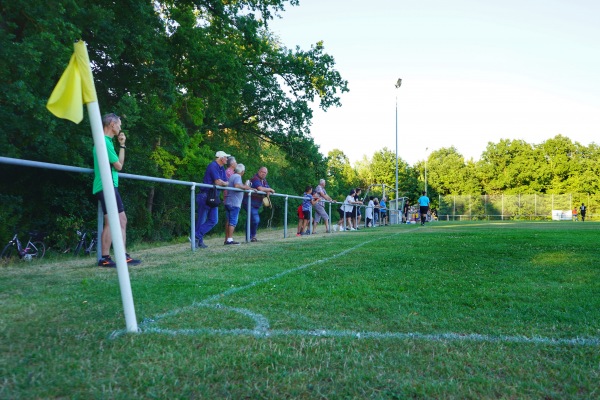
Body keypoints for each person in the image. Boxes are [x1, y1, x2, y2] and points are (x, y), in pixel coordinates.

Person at [93, 113, 140, 267]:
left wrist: (121, 144)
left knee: (115, 221)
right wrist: (122, 145)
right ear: (112, 124)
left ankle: (114, 256)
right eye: (119, 124)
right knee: (116, 221)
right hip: (107, 186)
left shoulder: (104, 142)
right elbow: (119, 165)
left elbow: (117, 166)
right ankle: (112, 257)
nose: (120, 127)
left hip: (106, 186)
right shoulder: (105, 143)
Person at [195, 151, 230, 248]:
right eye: (226, 157)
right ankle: (198, 242)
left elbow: (225, 181)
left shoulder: (221, 168)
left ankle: (196, 236)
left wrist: (223, 182)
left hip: (213, 196)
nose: (227, 159)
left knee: (214, 220)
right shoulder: (213, 166)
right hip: (205, 195)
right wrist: (223, 182)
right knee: (202, 220)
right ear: (221, 158)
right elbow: (218, 182)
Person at [224, 163, 253, 245]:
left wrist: (245, 186)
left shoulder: (232, 176)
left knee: (229, 221)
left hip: (228, 201)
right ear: (242, 171)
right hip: (234, 203)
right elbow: (237, 186)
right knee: (233, 221)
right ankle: (230, 239)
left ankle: (227, 239)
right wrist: (246, 186)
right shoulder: (237, 176)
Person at [246, 166, 275, 242]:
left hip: (256, 204)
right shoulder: (255, 179)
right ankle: (251, 237)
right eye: (262, 172)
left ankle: (251, 237)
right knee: (255, 219)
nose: (263, 174)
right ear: (259, 171)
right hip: (249, 202)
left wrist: (268, 190)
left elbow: (267, 187)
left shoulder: (264, 180)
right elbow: (260, 189)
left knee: (253, 220)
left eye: (265, 173)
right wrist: (270, 190)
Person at [223, 156, 237, 240]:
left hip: (228, 197)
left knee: (229, 218)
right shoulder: (229, 172)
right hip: (230, 197)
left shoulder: (229, 172)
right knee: (230, 219)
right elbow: (234, 185)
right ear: (232, 164)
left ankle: (227, 238)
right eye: (235, 162)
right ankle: (228, 238)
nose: (236, 163)